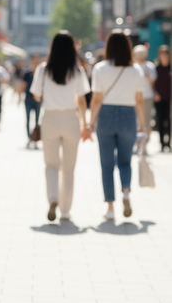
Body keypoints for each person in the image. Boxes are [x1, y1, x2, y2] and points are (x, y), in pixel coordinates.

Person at [86, 31, 146, 221]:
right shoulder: (136, 70)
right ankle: (126, 192)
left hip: (106, 115)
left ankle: (110, 207)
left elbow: (96, 99)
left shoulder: (100, 68)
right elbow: (139, 100)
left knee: (106, 164)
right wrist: (143, 124)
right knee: (126, 161)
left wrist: (90, 123)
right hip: (128, 116)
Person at [30, 32, 90, 222]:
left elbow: (37, 96)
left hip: (50, 119)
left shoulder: (43, 69)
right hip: (71, 119)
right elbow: (81, 100)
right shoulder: (77, 70)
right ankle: (65, 211)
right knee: (69, 168)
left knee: (51, 165)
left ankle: (53, 198)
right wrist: (85, 124)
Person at [133, 44, 156, 156]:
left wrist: (145, 73)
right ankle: (137, 145)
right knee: (135, 122)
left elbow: (153, 81)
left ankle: (145, 145)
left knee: (146, 122)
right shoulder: (132, 66)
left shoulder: (150, 66)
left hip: (147, 97)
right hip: (134, 98)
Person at [153, 45, 171, 152]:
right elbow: (152, 84)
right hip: (159, 99)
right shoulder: (156, 68)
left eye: (166, 53)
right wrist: (155, 94)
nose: (164, 56)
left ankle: (168, 143)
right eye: (162, 53)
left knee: (169, 121)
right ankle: (162, 144)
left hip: (169, 99)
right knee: (160, 121)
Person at [22, 54, 41, 148]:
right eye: (33, 61)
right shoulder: (27, 74)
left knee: (37, 121)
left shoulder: (41, 74)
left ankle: (36, 139)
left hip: (38, 101)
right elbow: (23, 85)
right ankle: (29, 138)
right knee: (28, 120)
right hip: (28, 100)